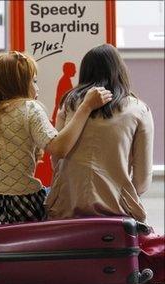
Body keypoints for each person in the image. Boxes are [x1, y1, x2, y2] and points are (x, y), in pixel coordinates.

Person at [0, 50, 112, 284]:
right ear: (18, 83)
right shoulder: (30, 109)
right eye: (33, 80)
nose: (37, 87)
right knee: (48, 192)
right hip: (23, 209)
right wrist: (85, 107)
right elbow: (60, 148)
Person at [45, 44, 154, 223]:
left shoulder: (69, 104)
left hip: (66, 208)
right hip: (117, 213)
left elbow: (56, 161)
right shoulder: (139, 110)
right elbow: (142, 180)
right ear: (120, 72)